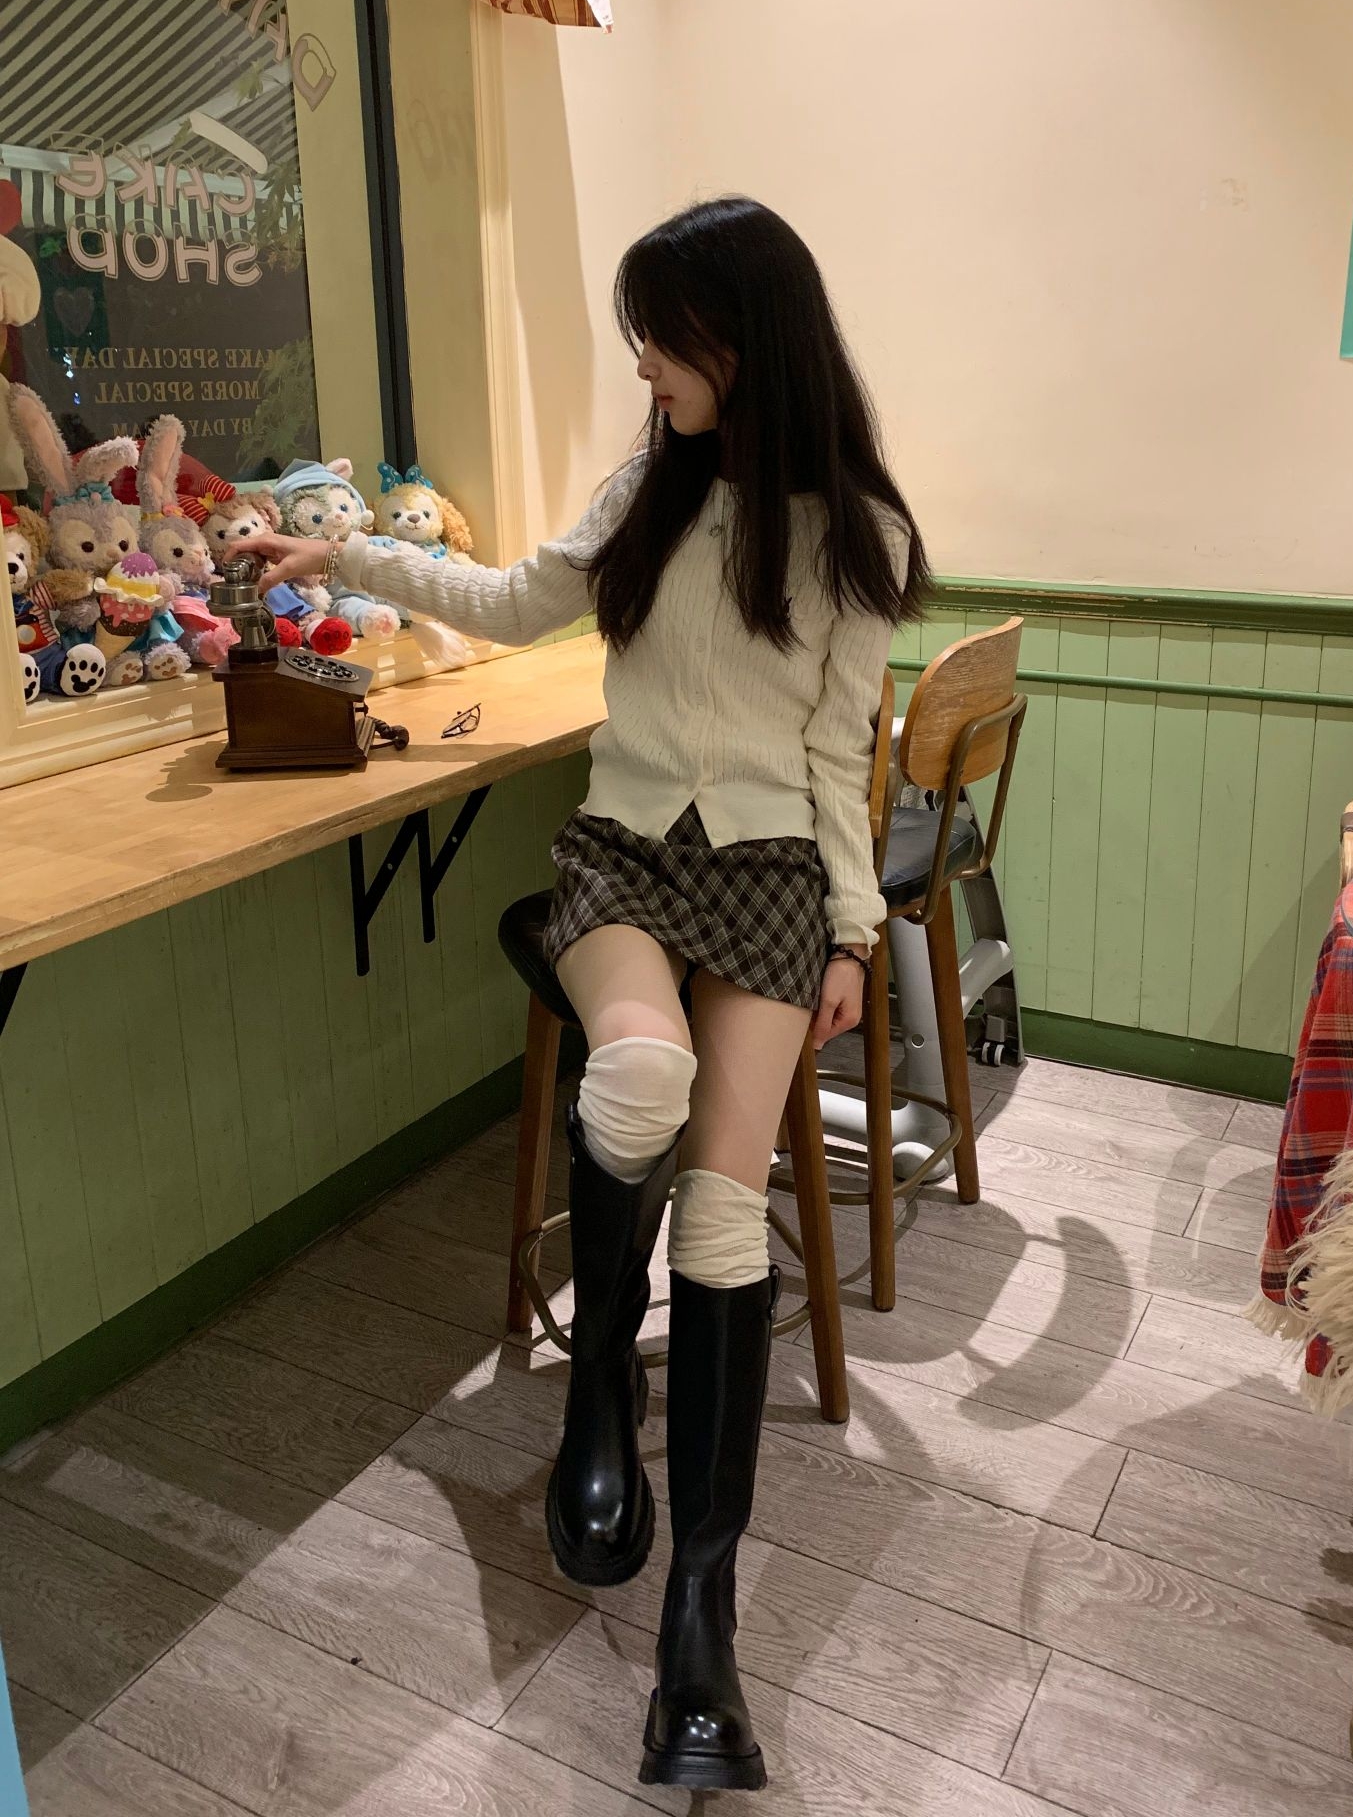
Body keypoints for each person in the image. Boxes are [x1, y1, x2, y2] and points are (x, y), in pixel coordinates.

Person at [247, 196, 930, 1793]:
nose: (642, 365)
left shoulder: (861, 538)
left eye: (660, 337)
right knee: (636, 1075)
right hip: (624, 852)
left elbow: (842, 751)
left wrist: (849, 937)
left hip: (770, 875)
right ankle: (602, 1390)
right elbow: (510, 598)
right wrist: (343, 552)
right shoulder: (649, 484)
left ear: (741, 342)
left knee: (728, 1214)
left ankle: (703, 1623)